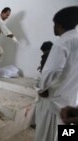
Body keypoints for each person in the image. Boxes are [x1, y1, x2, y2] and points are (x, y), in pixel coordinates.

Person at [35, 6, 78, 141]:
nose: (53, 28)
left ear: (59, 25)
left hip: (54, 99)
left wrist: (42, 88)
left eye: (54, 24)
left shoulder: (62, 43)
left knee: (47, 134)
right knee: (67, 133)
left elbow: (52, 70)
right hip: (71, 98)